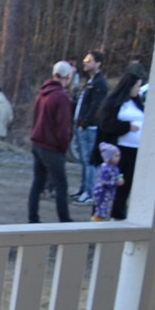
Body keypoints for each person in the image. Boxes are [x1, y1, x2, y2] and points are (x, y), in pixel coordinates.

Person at [29, 60, 76, 223]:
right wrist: (64, 148)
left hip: (38, 143)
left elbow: (36, 119)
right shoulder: (61, 97)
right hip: (51, 147)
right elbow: (63, 127)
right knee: (61, 185)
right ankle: (64, 220)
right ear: (67, 77)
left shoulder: (42, 93)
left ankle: (32, 218)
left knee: (38, 182)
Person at [71, 50, 106, 203]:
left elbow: (96, 106)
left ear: (98, 63)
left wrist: (85, 122)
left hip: (89, 128)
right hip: (82, 126)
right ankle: (83, 189)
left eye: (89, 60)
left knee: (89, 160)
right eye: (85, 60)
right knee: (84, 160)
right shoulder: (90, 82)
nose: (85, 63)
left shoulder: (99, 83)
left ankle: (89, 192)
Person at [112, 83, 145, 220]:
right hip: (120, 148)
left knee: (127, 182)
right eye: (136, 86)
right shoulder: (119, 103)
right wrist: (127, 127)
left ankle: (119, 211)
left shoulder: (138, 103)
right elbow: (109, 123)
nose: (138, 89)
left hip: (135, 149)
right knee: (115, 180)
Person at [90, 142, 124, 220]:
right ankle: (95, 224)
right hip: (101, 194)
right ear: (108, 157)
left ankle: (99, 223)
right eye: (116, 156)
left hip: (108, 195)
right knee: (101, 211)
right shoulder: (104, 169)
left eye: (119, 156)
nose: (119, 158)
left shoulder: (115, 167)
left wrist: (120, 177)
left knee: (105, 211)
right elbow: (103, 182)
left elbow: (118, 175)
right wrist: (116, 183)